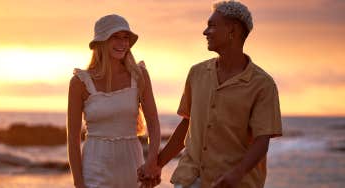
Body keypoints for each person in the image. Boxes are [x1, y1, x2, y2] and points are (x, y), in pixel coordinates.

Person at [138, 1, 282, 187]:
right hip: (188, 180)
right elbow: (187, 124)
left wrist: (237, 174)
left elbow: (262, 141)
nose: (205, 32)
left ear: (233, 30)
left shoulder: (262, 85)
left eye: (212, 26)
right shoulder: (197, 73)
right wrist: (156, 165)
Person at [67, 14, 161, 188]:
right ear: (101, 42)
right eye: (115, 37)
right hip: (95, 167)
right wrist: (78, 183)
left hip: (132, 166)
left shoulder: (139, 76)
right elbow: (72, 140)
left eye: (126, 38)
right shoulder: (80, 82)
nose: (122, 43)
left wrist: (151, 163)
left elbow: (154, 127)